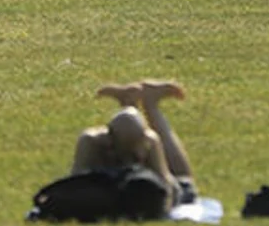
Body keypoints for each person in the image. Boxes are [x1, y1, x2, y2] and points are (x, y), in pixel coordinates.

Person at [71, 80, 198, 214]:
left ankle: (144, 103)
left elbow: (167, 189)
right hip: (110, 178)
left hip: (146, 178)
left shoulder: (150, 140)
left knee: (184, 182)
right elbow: (75, 184)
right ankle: (143, 102)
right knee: (184, 179)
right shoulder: (91, 140)